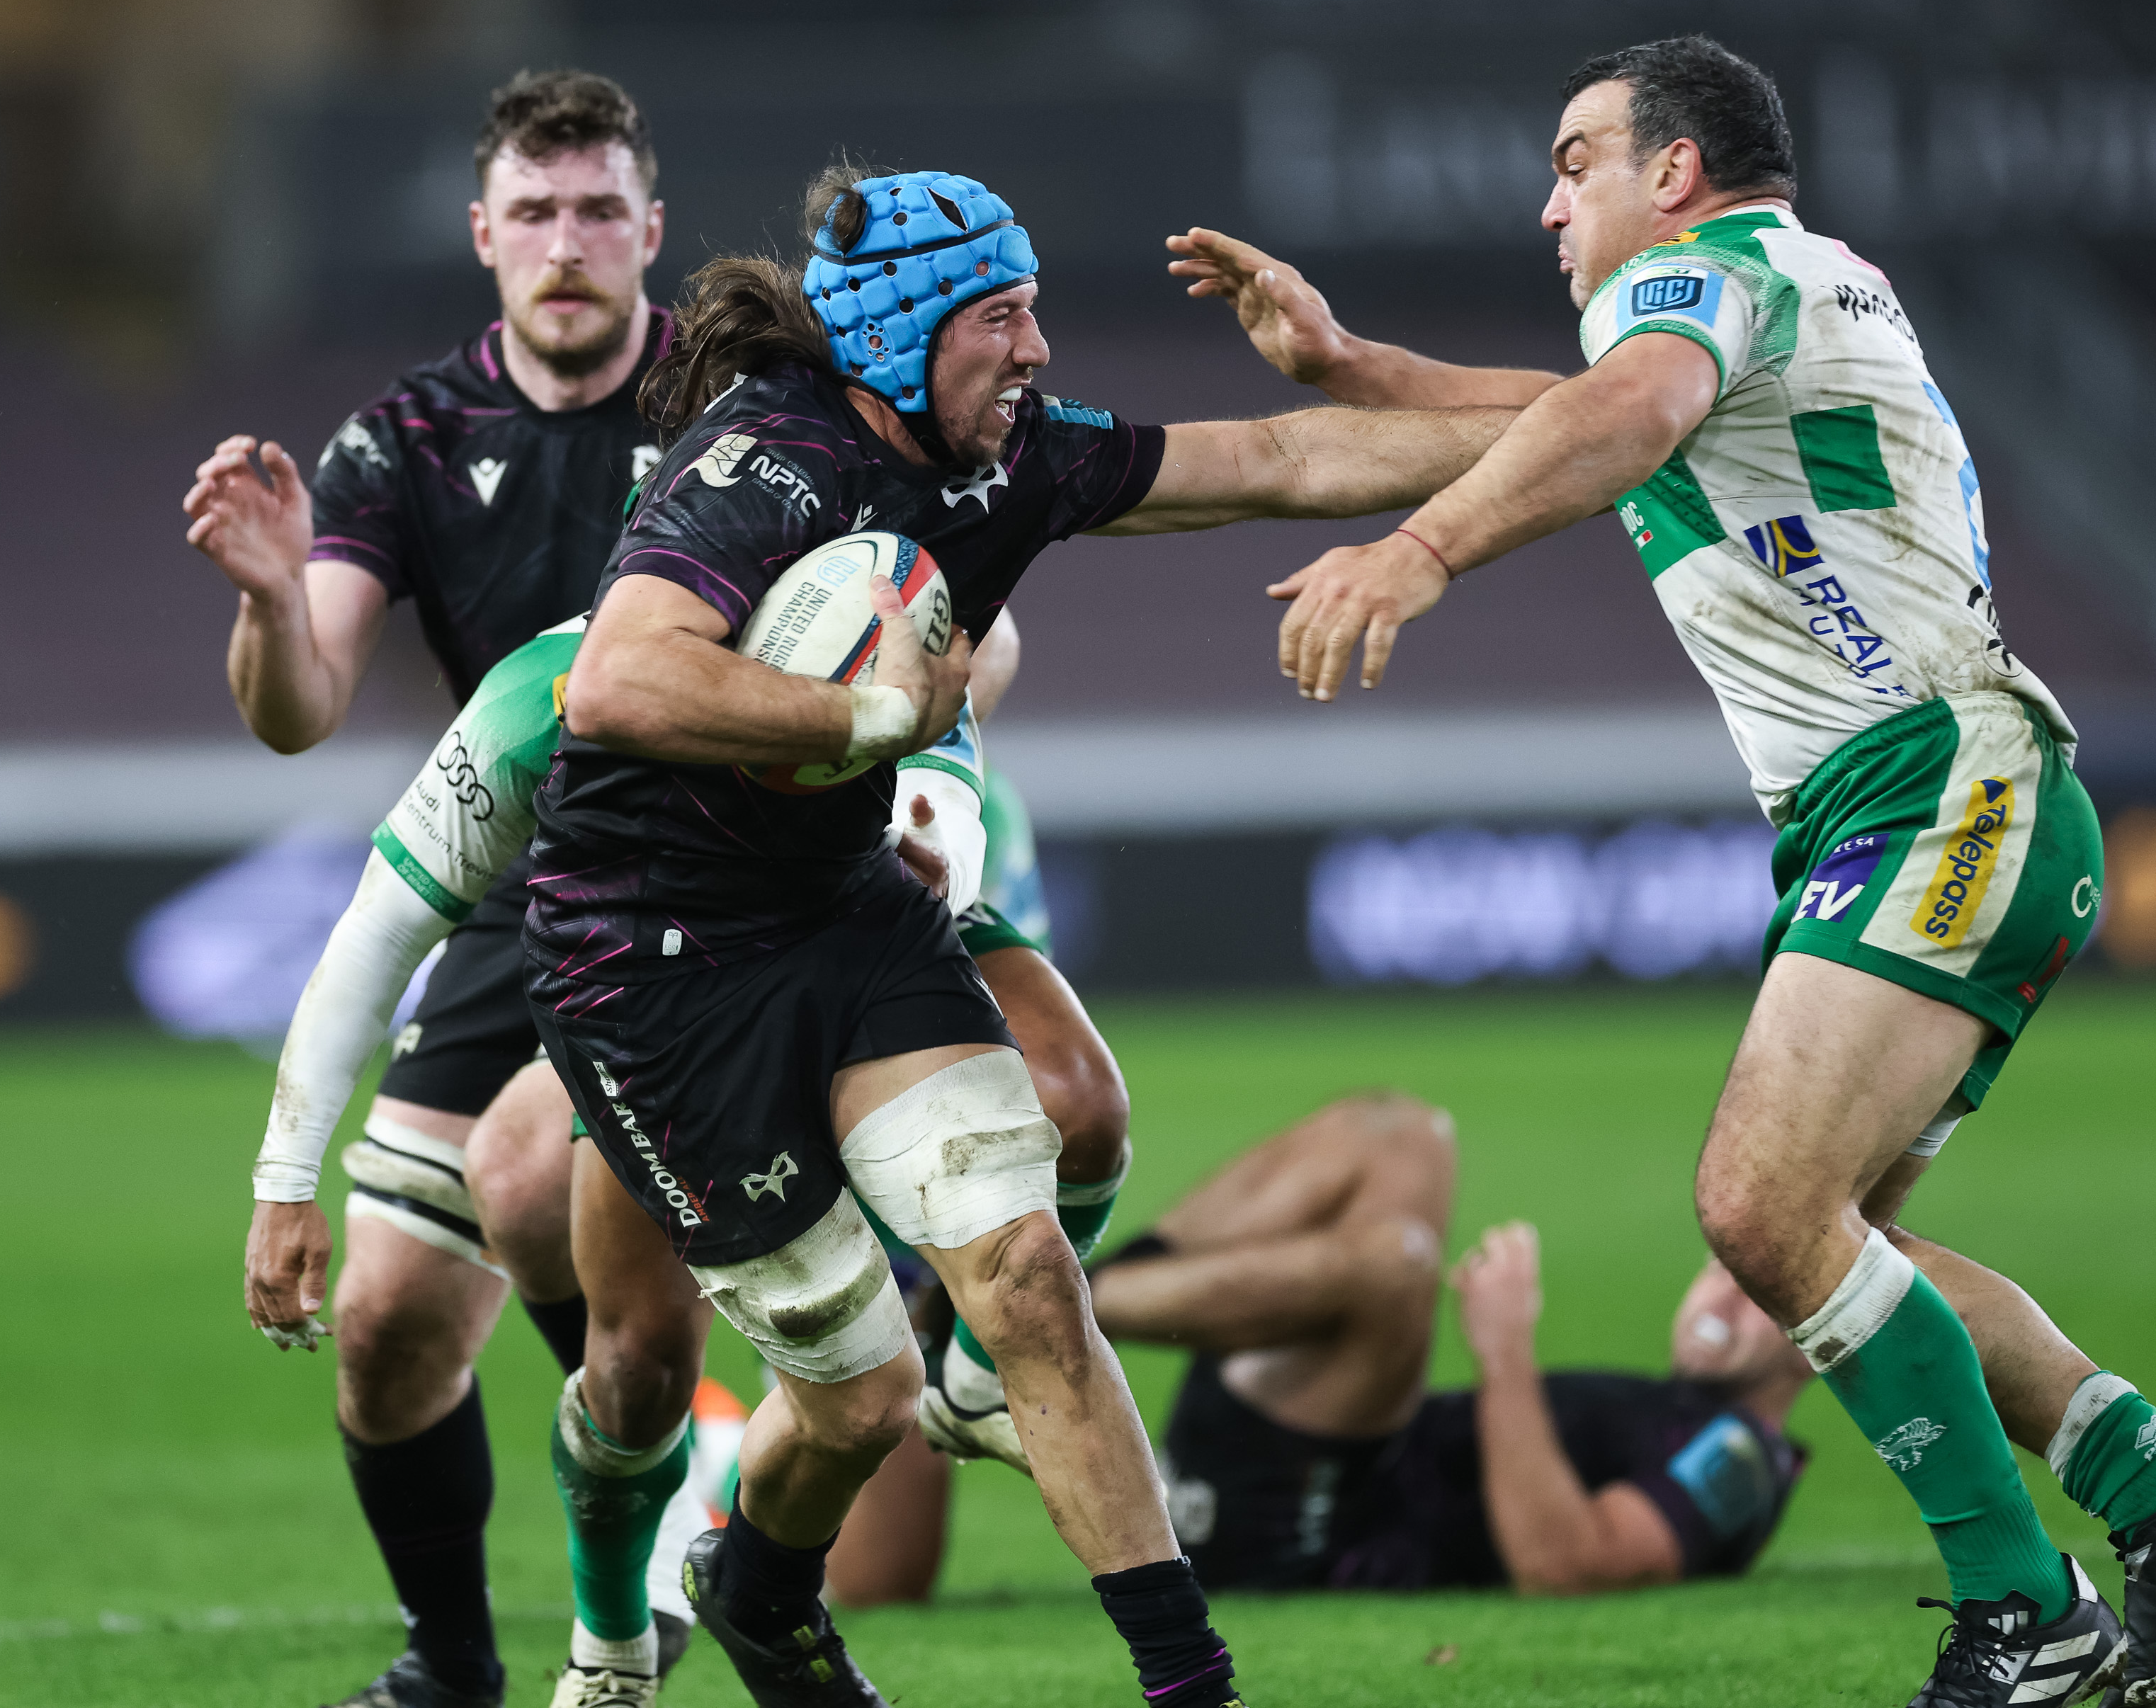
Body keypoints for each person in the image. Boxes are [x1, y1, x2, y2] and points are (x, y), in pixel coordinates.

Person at [1170, 33, 2156, 1705]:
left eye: (1576, 161)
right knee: (1839, 1242)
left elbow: (1616, 416)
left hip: (1939, 789)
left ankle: (2024, 1613)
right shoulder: (1768, 294)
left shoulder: (1708, 281)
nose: (1548, 199)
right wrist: (1348, 365)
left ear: (1676, 173)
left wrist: (1417, 553)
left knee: (1761, 1209)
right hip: (1939, 798)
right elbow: (1574, 412)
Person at [525, 161, 1541, 1708]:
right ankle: (755, 1585)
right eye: (1002, 317)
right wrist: (871, 710)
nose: (1040, 349)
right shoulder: (760, 464)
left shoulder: (1015, 465)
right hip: (652, 970)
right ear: (899, 337)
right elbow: (616, 686)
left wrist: (1619, 416)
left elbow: (1285, 453)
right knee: (857, 1405)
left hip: (841, 913)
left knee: (1028, 1273)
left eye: (1036, 311)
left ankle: (1191, 1685)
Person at [240, 607, 1125, 1708]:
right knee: (609, 1316)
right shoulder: (556, 689)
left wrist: (927, 829)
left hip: (864, 1041)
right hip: (674, 1025)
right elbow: (379, 928)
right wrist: (285, 1182)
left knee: (883, 1564)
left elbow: (961, 742)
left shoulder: (887, 639)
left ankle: (953, 1390)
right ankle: (615, 1636)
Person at [184, 68, 679, 1708]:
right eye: (534, 213)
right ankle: (455, 1668)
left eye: (599, 209)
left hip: (720, 894)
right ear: (482, 236)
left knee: (547, 1201)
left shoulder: (746, 399)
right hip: (519, 899)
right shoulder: (403, 437)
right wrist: (268, 600)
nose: (567, 243)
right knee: (391, 1324)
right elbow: (298, 707)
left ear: (649, 230)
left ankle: (672, 1536)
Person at [827, 1091, 1814, 1606]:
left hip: (1306, 1533)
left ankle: (1017, 1309)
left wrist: (1505, 1352)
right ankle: (1037, 1294)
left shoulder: (1738, 1454)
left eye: (1763, 1284)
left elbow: (1573, 1567)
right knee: (1403, 1134)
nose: (1726, 1281)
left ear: (1819, 1339)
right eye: (1725, 1263)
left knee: (1398, 1265)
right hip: (1319, 1438)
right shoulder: (1685, 1414)